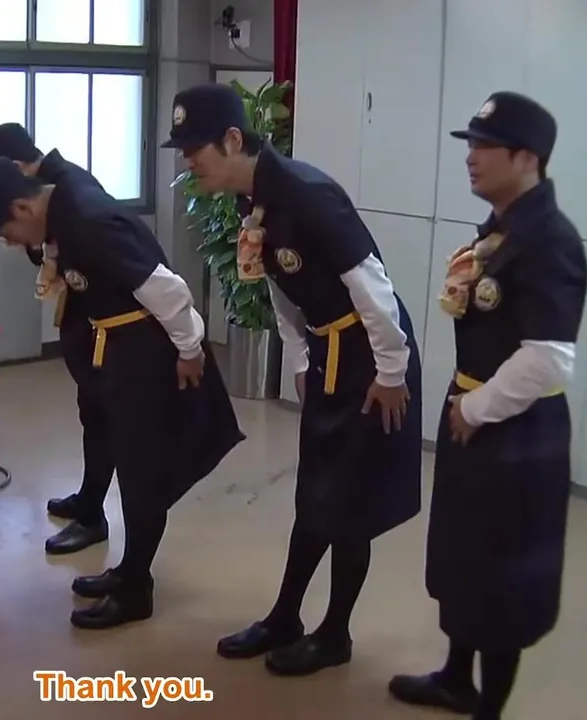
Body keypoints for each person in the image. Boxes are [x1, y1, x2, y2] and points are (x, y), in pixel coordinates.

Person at [161, 84, 423, 675]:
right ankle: (286, 616)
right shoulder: (253, 199)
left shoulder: (305, 193)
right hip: (330, 352)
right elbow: (280, 283)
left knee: (352, 502)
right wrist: (301, 358)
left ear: (233, 139)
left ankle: (335, 633)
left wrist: (391, 371)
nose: (188, 161)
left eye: (194, 149)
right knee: (316, 493)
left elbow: (371, 284)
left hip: (371, 358)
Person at [0, 157, 245, 630]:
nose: (9, 242)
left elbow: (166, 288)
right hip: (122, 348)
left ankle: (136, 590)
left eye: (5, 232)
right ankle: (130, 570)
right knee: (131, 465)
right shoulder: (62, 213)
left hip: (151, 351)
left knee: (142, 475)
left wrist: (190, 350)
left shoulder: (86, 218)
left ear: (22, 208)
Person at [387, 92, 587, 720]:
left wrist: (476, 409)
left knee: (504, 572)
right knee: (465, 552)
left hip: (515, 429)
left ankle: (488, 709)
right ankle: (455, 678)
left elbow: (549, 358)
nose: (471, 157)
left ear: (527, 158)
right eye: (469, 144)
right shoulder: (499, 232)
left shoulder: (549, 241)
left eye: (485, 146)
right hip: (474, 412)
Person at [0, 123, 112, 556]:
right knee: (93, 414)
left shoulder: (71, 193)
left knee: (105, 418)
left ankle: (94, 517)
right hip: (84, 315)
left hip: (106, 323)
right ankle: (89, 498)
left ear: (18, 167)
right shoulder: (53, 189)